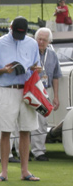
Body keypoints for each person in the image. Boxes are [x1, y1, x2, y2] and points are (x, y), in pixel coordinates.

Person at [0, 17, 42, 181]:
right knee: (5, 131)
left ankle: (25, 171)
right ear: (11, 28)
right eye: (17, 34)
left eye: (22, 34)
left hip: (26, 90)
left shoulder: (31, 44)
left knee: (26, 130)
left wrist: (35, 68)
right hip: (7, 90)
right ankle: (4, 172)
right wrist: (2, 70)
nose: (20, 37)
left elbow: (36, 67)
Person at [31, 27, 61, 161]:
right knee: (26, 120)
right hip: (31, 89)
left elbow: (55, 76)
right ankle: (21, 150)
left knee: (42, 121)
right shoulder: (30, 52)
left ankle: (39, 151)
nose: (41, 42)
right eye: (39, 39)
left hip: (45, 90)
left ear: (49, 41)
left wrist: (55, 96)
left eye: (44, 40)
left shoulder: (52, 54)